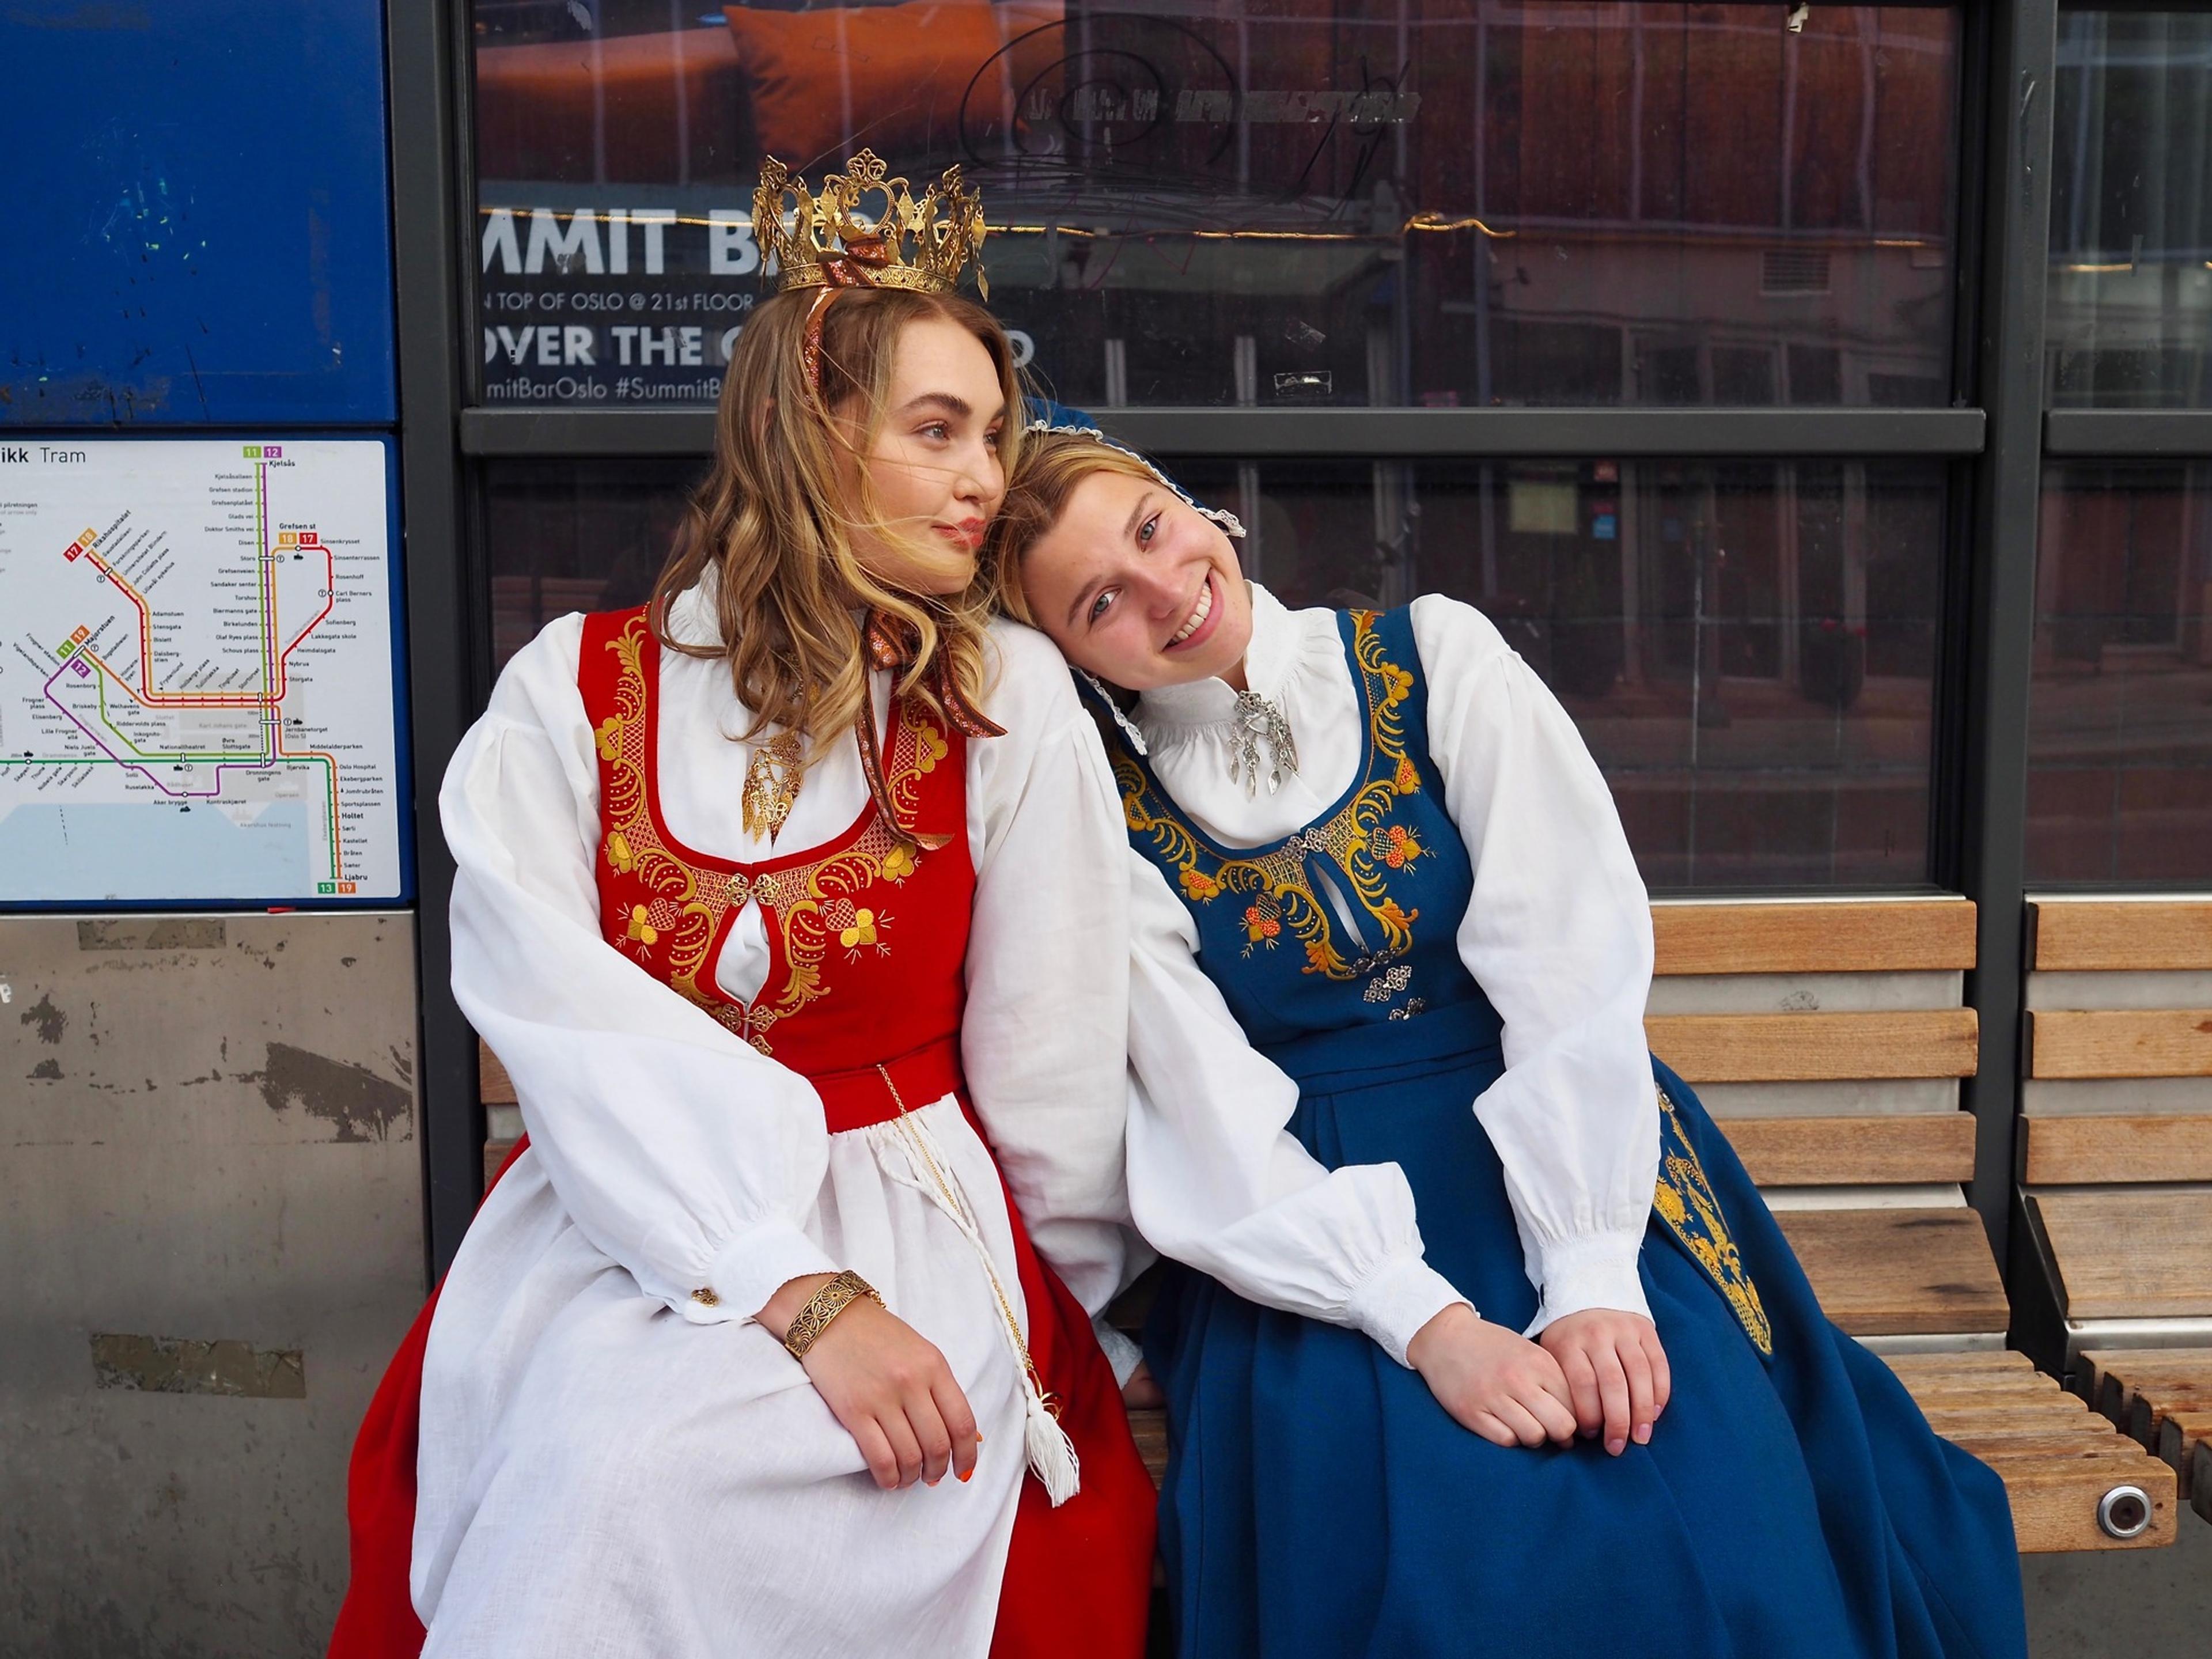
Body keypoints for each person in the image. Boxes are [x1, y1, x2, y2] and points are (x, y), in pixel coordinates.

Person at [987, 427, 2031, 1659]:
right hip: (1309, 1222)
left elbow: (1565, 961)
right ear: (1064, 654)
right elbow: (1201, 1105)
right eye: (1100, 600)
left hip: (1557, 1142)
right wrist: (1423, 1321)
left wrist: (1588, 1272)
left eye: (1152, 529)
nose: (1163, 591)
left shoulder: (1433, 655)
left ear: (1196, 509)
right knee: (1430, 1554)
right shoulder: (1108, 809)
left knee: (1694, 1489)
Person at [327, 157, 1156, 1659]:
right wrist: (784, 1284)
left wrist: (1060, 1321)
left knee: (684, 1486)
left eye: (996, 435)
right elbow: (557, 1020)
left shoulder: (998, 697)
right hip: (631, 1217)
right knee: (596, 1478)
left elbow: (1054, 1058)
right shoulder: (574, 694)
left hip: (913, 1215)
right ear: (807, 433)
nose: (985, 477)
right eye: (936, 429)